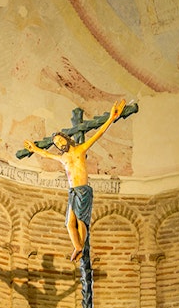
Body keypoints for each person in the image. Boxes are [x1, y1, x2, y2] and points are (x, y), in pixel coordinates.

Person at [24, 99, 126, 261]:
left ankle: (82, 246)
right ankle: (77, 246)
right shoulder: (62, 158)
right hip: (72, 191)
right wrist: (35, 149)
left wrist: (111, 118)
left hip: (82, 190)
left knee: (80, 220)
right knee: (69, 223)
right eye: (56, 143)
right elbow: (46, 154)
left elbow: (98, 134)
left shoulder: (80, 149)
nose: (58, 144)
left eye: (60, 140)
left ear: (66, 138)